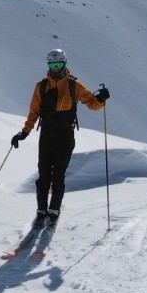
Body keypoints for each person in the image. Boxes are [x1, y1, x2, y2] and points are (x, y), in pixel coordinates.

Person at [11, 49, 109, 229]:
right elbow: (34, 112)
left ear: (64, 64)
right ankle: (41, 210)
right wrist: (23, 133)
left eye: (58, 64)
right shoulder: (41, 86)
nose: (55, 68)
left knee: (58, 176)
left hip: (65, 137)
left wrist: (101, 100)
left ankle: (54, 210)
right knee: (43, 176)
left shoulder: (74, 85)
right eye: (52, 65)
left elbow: (92, 104)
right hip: (46, 136)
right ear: (48, 66)